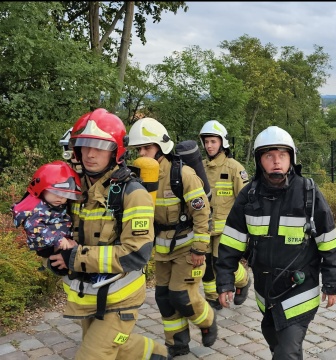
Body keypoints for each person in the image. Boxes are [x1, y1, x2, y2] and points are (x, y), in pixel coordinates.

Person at [48, 108, 169, 359]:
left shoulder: (133, 194)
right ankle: (153, 353)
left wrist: (74, 257)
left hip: (120, 299)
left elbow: (135, 255)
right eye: (84, 145)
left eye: (100, 147)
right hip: (88, 295)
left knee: (91, 355)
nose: (90, 154)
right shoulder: (71, 191)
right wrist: (52, 254)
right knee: (116, 348)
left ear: (116, 151)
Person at [216, 126, 336, 359]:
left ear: (291, 158)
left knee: (286, 351)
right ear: (259, 160)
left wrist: (332, 283)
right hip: (266, 292)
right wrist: (225, 281)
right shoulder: (249, 195)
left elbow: (329, 241)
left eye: (282, 155)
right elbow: (231, 242)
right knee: (276, 341)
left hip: (300, 290)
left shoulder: (308, 192)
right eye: (269, 156)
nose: (276, 161)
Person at [127, 117, 217, 356]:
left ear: (161, 146)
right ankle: (177, 342)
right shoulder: (138, 179)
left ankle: (208, 320)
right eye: (139, 149)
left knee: (182, 296)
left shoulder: (183, 174)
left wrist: (200, 249)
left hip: (187, 248)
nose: (143, 153)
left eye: (148, 147)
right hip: (162, 250)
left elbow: (202, 212)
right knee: (164, 298)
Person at [198, 120, 252, 310]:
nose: (209, 145)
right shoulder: (200, 168)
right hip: (204, 228)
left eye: (213, 141)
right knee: (204, 264)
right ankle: (212, 296)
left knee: (221, 262)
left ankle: (243, 281)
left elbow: (246, 201)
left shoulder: (234, 168)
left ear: (222, 143)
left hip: (226, 230)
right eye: (207, 142)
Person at [12, 161, 82, 267]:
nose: (61, 198)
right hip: (48, 246)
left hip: (57, 240)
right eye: (56, 192)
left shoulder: (52, 203)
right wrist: (58, 240)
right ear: (41, 189)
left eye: (66, 194)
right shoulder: (38, 209)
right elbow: (35, 229)